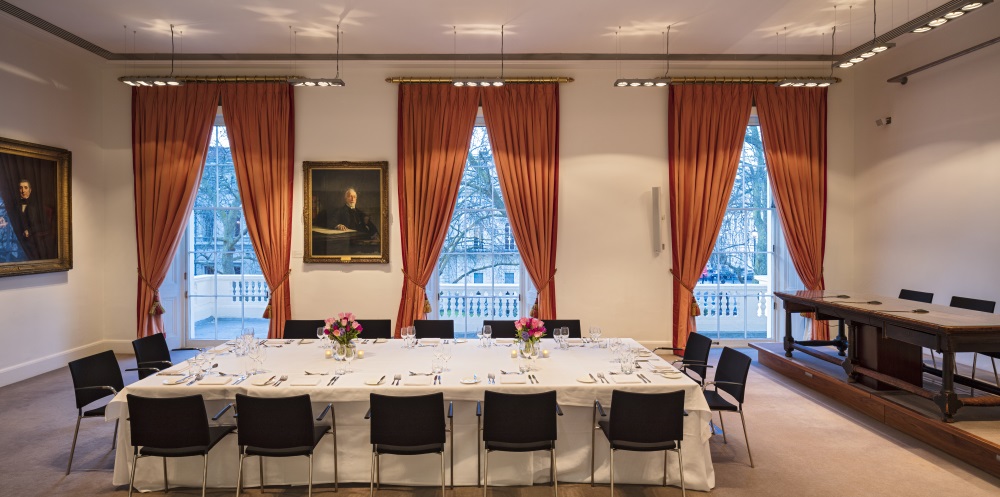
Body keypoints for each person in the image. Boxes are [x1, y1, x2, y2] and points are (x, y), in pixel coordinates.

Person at [13, 179, 55, 259]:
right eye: (20, 188)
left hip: (34, 240)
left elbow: (45, 225)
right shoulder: (16, 205)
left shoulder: (37, 206)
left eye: (25, 188)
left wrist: (29, 231)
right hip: (17, 239)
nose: (23, 191)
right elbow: (15, 220)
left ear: (30, 190)